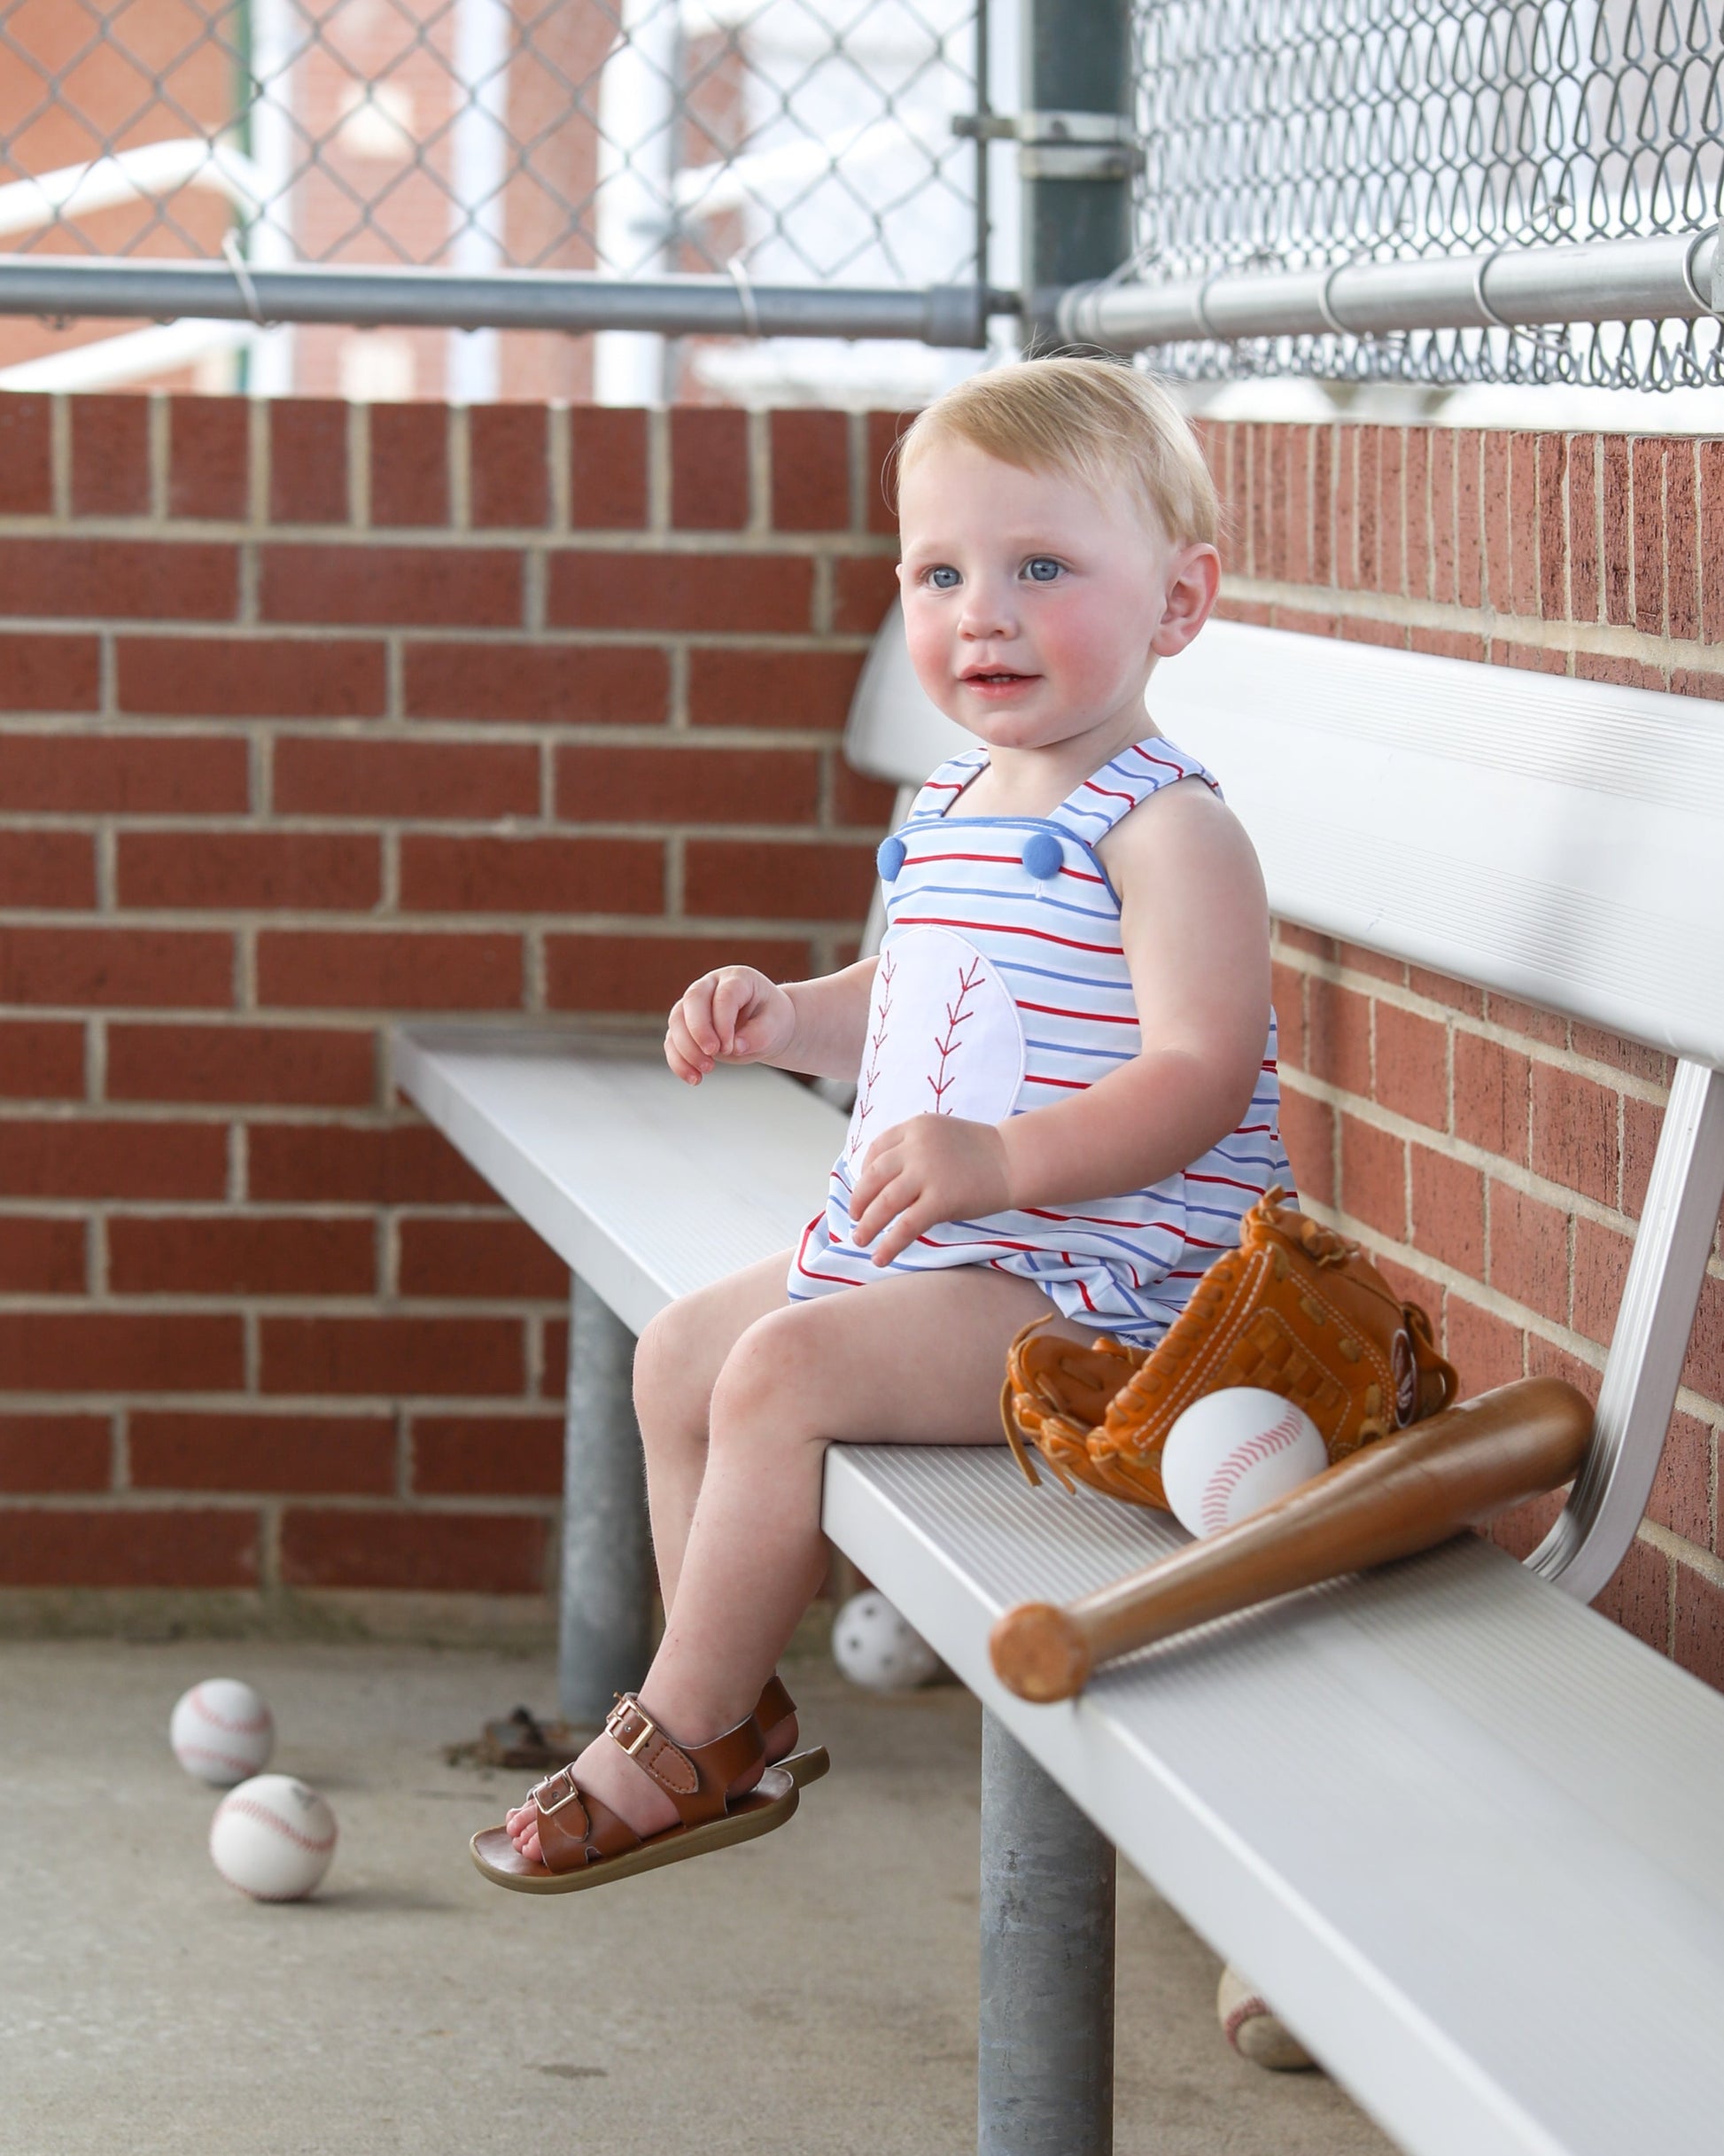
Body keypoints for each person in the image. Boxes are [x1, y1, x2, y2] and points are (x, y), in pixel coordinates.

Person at [474, 355, 1292, 1890]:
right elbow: (918, 990)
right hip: (961, 1252)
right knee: (680, 1353)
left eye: (1041, 566)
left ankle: (677, 1733)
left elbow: (1199, 1071)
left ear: (1178, 602)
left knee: (777, 1372)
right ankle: (726, 1702)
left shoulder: (1171, 832)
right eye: (939, 571)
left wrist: (1000, 1160)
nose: (981, 609)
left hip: (1112, 1295)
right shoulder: (954, 799)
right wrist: (792, 1015)